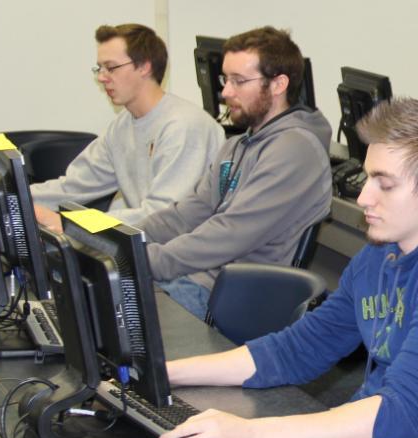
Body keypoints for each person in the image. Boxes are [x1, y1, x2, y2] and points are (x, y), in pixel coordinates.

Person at [158, 97, 418, 438]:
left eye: (384, 184)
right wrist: (164, 373)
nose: (363, 196)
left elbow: (403, 414)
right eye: (368, 177)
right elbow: (296, 350)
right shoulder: (382, 251)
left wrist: (252, 435)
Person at [138, 27, 331, 319]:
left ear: (278, 84)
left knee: (106, 320)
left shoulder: (296, 150)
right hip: (199, 280)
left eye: (239, 81)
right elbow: (188, 213)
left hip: (228, 298)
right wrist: (129, 240)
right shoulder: (239, 144)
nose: (226, 92)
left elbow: (230, 234)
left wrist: (146, 261)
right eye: (225, 79)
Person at [32, 23, 223, 229]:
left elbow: (163, 216)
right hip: (152, 244)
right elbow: (73, 186)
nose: (102, 77)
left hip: (182, 251)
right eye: (99, 68)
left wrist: (72, 224)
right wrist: (18, 200)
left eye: (111, 67)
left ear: (144, 67)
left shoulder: (184, 126)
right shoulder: (122, 126)